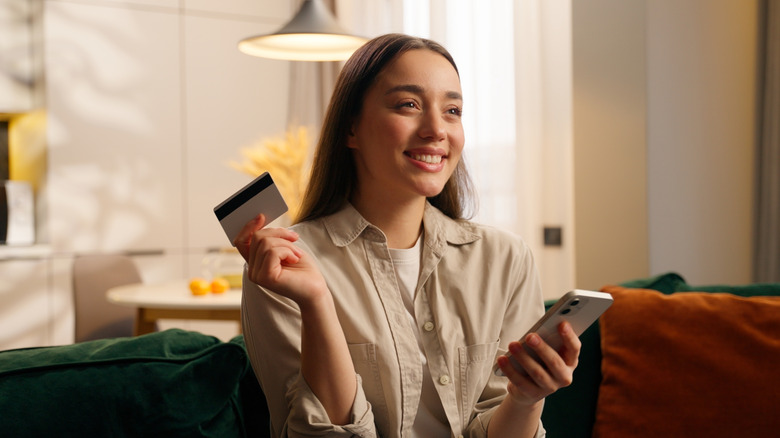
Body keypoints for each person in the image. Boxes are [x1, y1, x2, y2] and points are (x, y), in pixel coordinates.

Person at [235, 33, 580, 438]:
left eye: (452, 110)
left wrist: (525, 398)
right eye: (409, 105)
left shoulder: (505, 258)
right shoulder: (285, 266)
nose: (436, 129)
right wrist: (317, 303)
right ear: (351, 129)